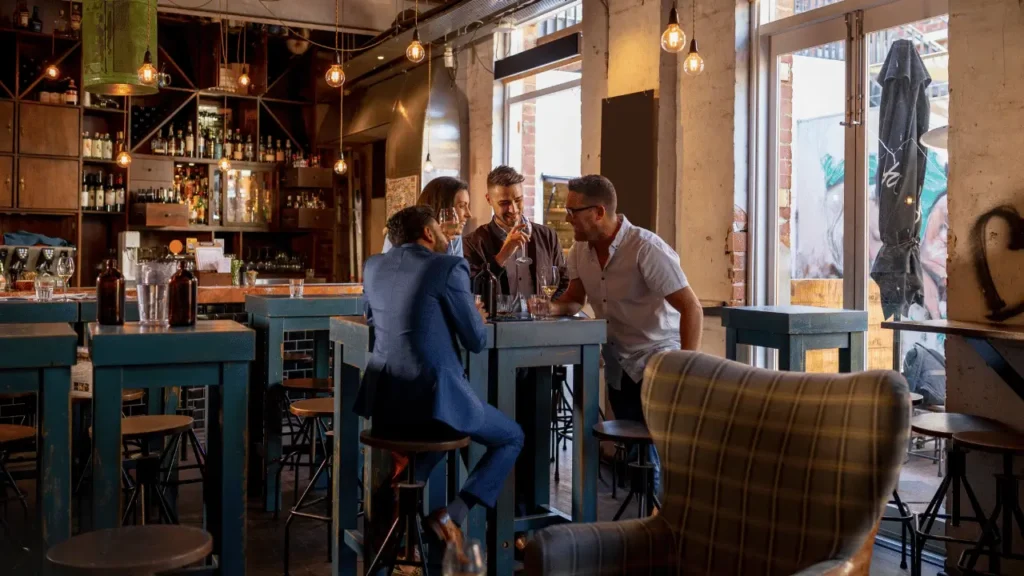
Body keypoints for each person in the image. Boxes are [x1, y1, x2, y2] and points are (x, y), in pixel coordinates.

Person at [358, 205, 524, 553]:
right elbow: (476, 341)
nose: (447, 235)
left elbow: (373, 318)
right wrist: (474, 316)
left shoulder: (373, 265)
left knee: (420, 455)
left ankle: (393, 534)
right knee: (511, 436)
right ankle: (450, 516)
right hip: (433, 406)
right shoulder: (447, 266)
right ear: (428, 233)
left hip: (386, 406)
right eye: (441, 229)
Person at [547, 174, 703, 491]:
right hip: (619, 364)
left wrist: (687, 371)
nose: (567, 217)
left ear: (599, 212)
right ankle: (641, 527)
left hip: (657, 363)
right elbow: (575, 298)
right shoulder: (580, 250)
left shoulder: (646, 249)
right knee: (637, 457)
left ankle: (662, 525)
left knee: (657, 455)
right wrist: (546, 308)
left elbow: (692, 307)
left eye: (573, 210)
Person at [464, 165, 569, 298]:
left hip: (540, 319)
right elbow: (472, 289)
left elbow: (564, 283)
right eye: (504, 203)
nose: (513, 209)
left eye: (518, 200)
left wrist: (549, 310)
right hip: (496, 319)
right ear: (489, 199)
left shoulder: (547, 236)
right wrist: (503, 254)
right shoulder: (472, 243)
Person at [382, 176, 472, 256]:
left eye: (467, 206)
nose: (469, 214)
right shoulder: (400, 232)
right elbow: (391, 270)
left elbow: (456, 272)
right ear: (441, 207)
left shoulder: (454, 237)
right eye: (461, 206)